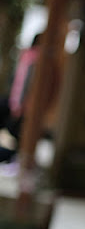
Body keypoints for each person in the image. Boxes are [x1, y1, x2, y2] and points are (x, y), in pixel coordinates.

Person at [0, 33, 42, 164]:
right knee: (15, 135)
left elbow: (18, 82)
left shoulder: (28, 56)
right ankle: (10, 158)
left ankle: (11, 159)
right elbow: (24, 83)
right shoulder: (35, 58)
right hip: (20, 103)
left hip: (17, 102)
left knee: (14, 134)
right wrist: (19, 104)